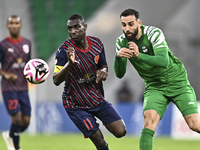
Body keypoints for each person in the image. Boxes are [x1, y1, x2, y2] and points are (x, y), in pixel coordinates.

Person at [114, 8, 200, 150]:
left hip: (177, 82)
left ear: (139, 23)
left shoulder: (153, 33)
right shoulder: (121, 42)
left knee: (195, 125)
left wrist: (139, 56)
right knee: (148, 123)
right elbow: (119, 74)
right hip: (155, 86)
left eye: (131, 24)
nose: (127, 29)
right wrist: (118, 58)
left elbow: (163, 61)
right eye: (124, 25)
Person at [53, 14, 126, 150]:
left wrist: (103, 70)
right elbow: (56, 80)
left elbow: (103, 65)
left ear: (85, 27)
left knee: (121, 131)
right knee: (100, 142)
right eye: (70, 28)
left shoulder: (97, 44)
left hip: (96, 99)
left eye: (76, 27)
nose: (73, 31)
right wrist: (69, 63)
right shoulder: (64, 50)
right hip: (75, 104)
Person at [0, 15, 31, 150]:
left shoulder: (27, 43)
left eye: (16, 23)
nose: (13, 25)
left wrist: (36, 76)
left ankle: (9, 135)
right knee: (16, 118)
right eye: (11, 23)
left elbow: (29, 65)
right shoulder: (3, 45)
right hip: (9, 88)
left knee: (25, 122)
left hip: (23, 87)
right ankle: (16, 147)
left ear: (20, 25)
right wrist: (5, 74)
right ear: (7, 26)